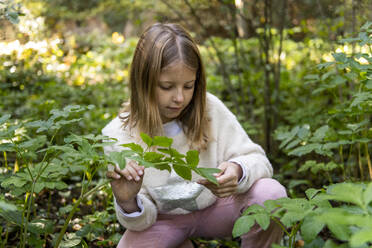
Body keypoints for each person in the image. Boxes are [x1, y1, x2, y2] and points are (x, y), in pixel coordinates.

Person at [102, 23, 287, 248]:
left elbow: (258, 160)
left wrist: (238, 170)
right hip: (161, 221)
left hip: (218, 207)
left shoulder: (210, 109)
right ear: (143, 83)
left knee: (271, 194)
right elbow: (141, 221)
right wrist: (127, 200)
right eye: (167, 86)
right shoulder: (117, 135)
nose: (179, 98)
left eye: (188, 86)